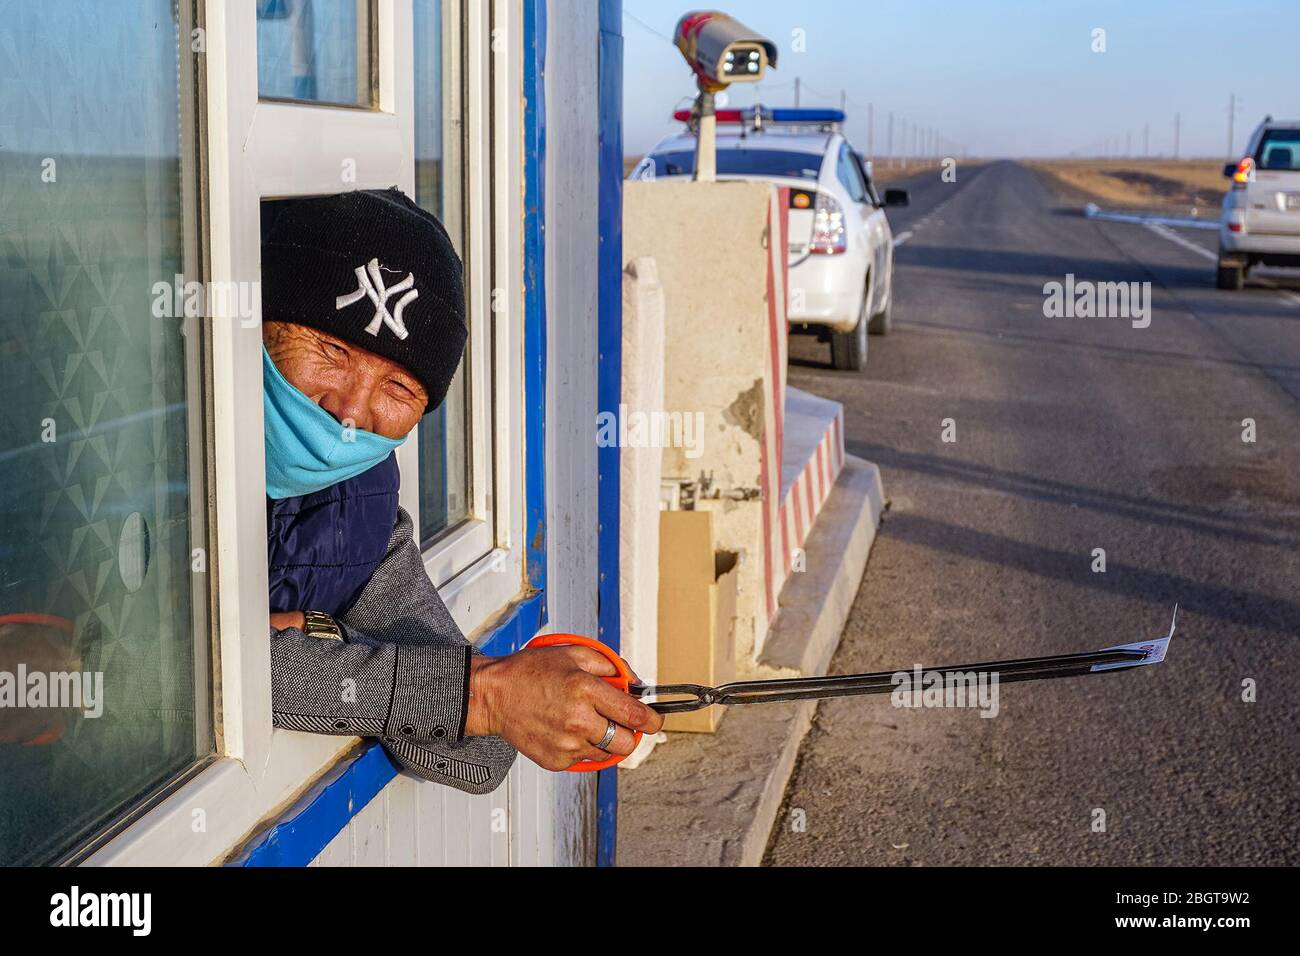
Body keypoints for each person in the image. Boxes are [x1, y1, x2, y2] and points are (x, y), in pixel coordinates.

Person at [260, 189, 661, 794]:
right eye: (332, 351)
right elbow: (135, 677)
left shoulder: (359, 504)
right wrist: (482, 692)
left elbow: (480, 756)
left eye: (398, 387)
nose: (349, 411)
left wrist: (326, 639)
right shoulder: (140, 460)